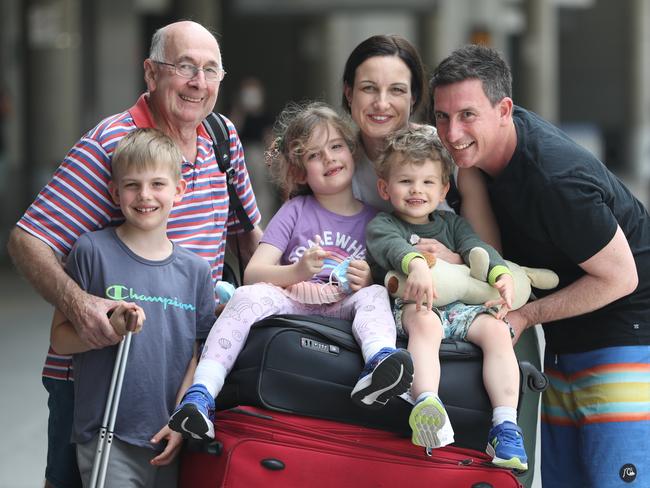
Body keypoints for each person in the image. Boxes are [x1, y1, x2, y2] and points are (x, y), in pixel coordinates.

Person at [7, 20, 262, 488]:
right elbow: (28, 238)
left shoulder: (221, 137)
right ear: (151, 73)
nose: (197, 83)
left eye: (210, 71)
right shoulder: (111, 144)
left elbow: (249, 237)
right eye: (184, 67)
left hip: (181, 381)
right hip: (93, 386)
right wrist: (80, 306)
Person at [431, 44, 650, 487]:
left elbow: (622, 277)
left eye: (467, 115)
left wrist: (526, 315)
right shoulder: (476, 164)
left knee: (615, 480)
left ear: (504, 109)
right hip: (566, 333)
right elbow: (490, 260)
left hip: (628, 330)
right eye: (442, 116)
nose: (452, 132)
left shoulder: (555, 178)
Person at [168, 102, 413, 440]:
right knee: (247, 296)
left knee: (374, 295)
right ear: (300, 172)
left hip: (343, 303)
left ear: (352, 153)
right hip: (294, 299)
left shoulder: (376, 220)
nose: (329, 158)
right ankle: (202, 394)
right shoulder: (296, 210)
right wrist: (296, 270)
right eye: (314, 155)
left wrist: (370, 278)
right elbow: (255, 272)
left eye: (336, 146)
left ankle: (379, 363)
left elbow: (390, 282)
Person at [49, 128, 216, 487]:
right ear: (114, 192)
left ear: (179, 190)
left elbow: (197, 356)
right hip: (107, 433)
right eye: (131, 185)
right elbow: (61, 340)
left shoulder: (196, 271)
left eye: (158, 184)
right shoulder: (92, 251)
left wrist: (180, 420)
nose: (144, 196)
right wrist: (110, 330)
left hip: (166, 435)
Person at [365, 125, 527, 471]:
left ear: (443, 190)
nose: (416, 190)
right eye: (405, 181)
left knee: (498, 332)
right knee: (425, 324)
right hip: (414, 306)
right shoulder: (383, 224)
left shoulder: (452, 225)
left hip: (460, 310)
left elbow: (477, 250)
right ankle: (427, 403)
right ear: (384, 187)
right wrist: (417, 265)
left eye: (427, 182)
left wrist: (501, 277)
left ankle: (506, 425)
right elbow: (390, 249)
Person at [341, 34, 501, 256]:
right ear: (349, 93)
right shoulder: (335, 160)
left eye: (397, 90)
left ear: (414, 97)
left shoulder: (449, 148)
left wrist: (453, 260)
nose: (381, 103)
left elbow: (490, 255)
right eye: (369, 88)